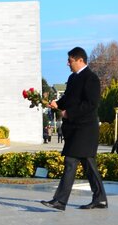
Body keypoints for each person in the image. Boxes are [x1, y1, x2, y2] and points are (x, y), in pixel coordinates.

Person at [41, 47, 107, 211]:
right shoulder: (72, 78)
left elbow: (91, 105)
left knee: (70, 161)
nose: (67, 63)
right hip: (76, 129)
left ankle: (60, 201)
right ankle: (100, 198)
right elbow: (68, 98)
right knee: (88, 164)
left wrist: (69, 113)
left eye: (70, 60)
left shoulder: (91, 78)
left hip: (86, 129)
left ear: (80, 60)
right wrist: (58, 104)